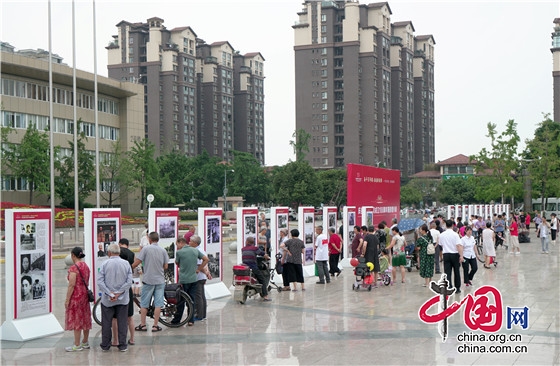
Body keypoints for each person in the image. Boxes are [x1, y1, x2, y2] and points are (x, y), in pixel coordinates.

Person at [97, 243, 133, 352]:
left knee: (106, 323)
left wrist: (110, 293)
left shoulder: (104, 264)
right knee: (122, 322)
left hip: (108, 300)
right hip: (123, 299)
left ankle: (105, 345)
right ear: (119, 252)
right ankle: (122, 345)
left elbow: (100, 281)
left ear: (109, 252)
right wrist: (119, 293)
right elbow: (129, 281)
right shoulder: (126, 264)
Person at [132, 232, 169, 332]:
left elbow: (137, 262)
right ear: (158, 239)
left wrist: (130, 268)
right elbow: (166, 266)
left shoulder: (146, 249)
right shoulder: (163, 250)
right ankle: (155, 325)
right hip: (160, 280)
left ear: (149, 239)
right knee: (158, 303)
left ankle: (143, 325)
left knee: (144, 303)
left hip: (148, 280)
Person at [174, 236, 209, 324]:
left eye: (177, 244)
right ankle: (191, 320)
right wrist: (198, 269)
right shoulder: (195, 250)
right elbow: (206, 259)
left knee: (181, 300)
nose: (177, 246)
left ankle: (177, 320)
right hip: (193, 279)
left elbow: (177, 263)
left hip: (184, 280)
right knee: (192, 299)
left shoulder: (179, 252)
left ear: (181, 242)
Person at [64, 247, 92, 352]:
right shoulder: (85, 266)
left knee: (77, 319)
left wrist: (67, 299)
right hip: (85, 294)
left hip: (76, 296)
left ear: (73, 255)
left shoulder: (74, 268)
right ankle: (85, 341)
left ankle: (77, 344)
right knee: (85, 317)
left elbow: (71, 285)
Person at [111, 238, 136, 346]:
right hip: (126, 289)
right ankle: (132, 339)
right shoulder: (131, 254)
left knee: (115, 317)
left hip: (115, 289)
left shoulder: (114, 259)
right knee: (129, 316)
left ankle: (116, 340)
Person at [241, 236, 271, 301]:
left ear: (247, 242)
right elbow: (263, 254)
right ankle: (265, 296)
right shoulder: (255, 248)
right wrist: (267, 257)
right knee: (262, 280)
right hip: (253, 267)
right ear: (253, 242)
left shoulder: (243, 249)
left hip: (245, 267)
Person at [439, 220, 464, 293]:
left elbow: (441, 245)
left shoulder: (442, 235)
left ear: (446, 225)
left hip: (446, 254)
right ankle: (457, 288)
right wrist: (461, 256)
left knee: (447, 272)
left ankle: (449, 287)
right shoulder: (455, 234)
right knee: (456, 271)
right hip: (455, 254)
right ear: (453, 226)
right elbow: (458, 245)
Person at [191, 235, 211, 322]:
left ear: (195, 243)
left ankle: (199, 315)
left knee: (198, 296)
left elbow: (200, 265)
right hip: (202, 277)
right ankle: (203, 314)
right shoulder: (201, 249)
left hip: (199, 277)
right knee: (202, 296)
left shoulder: (197, 251)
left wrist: (205, 272)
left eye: (190, 241)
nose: (189, 242)